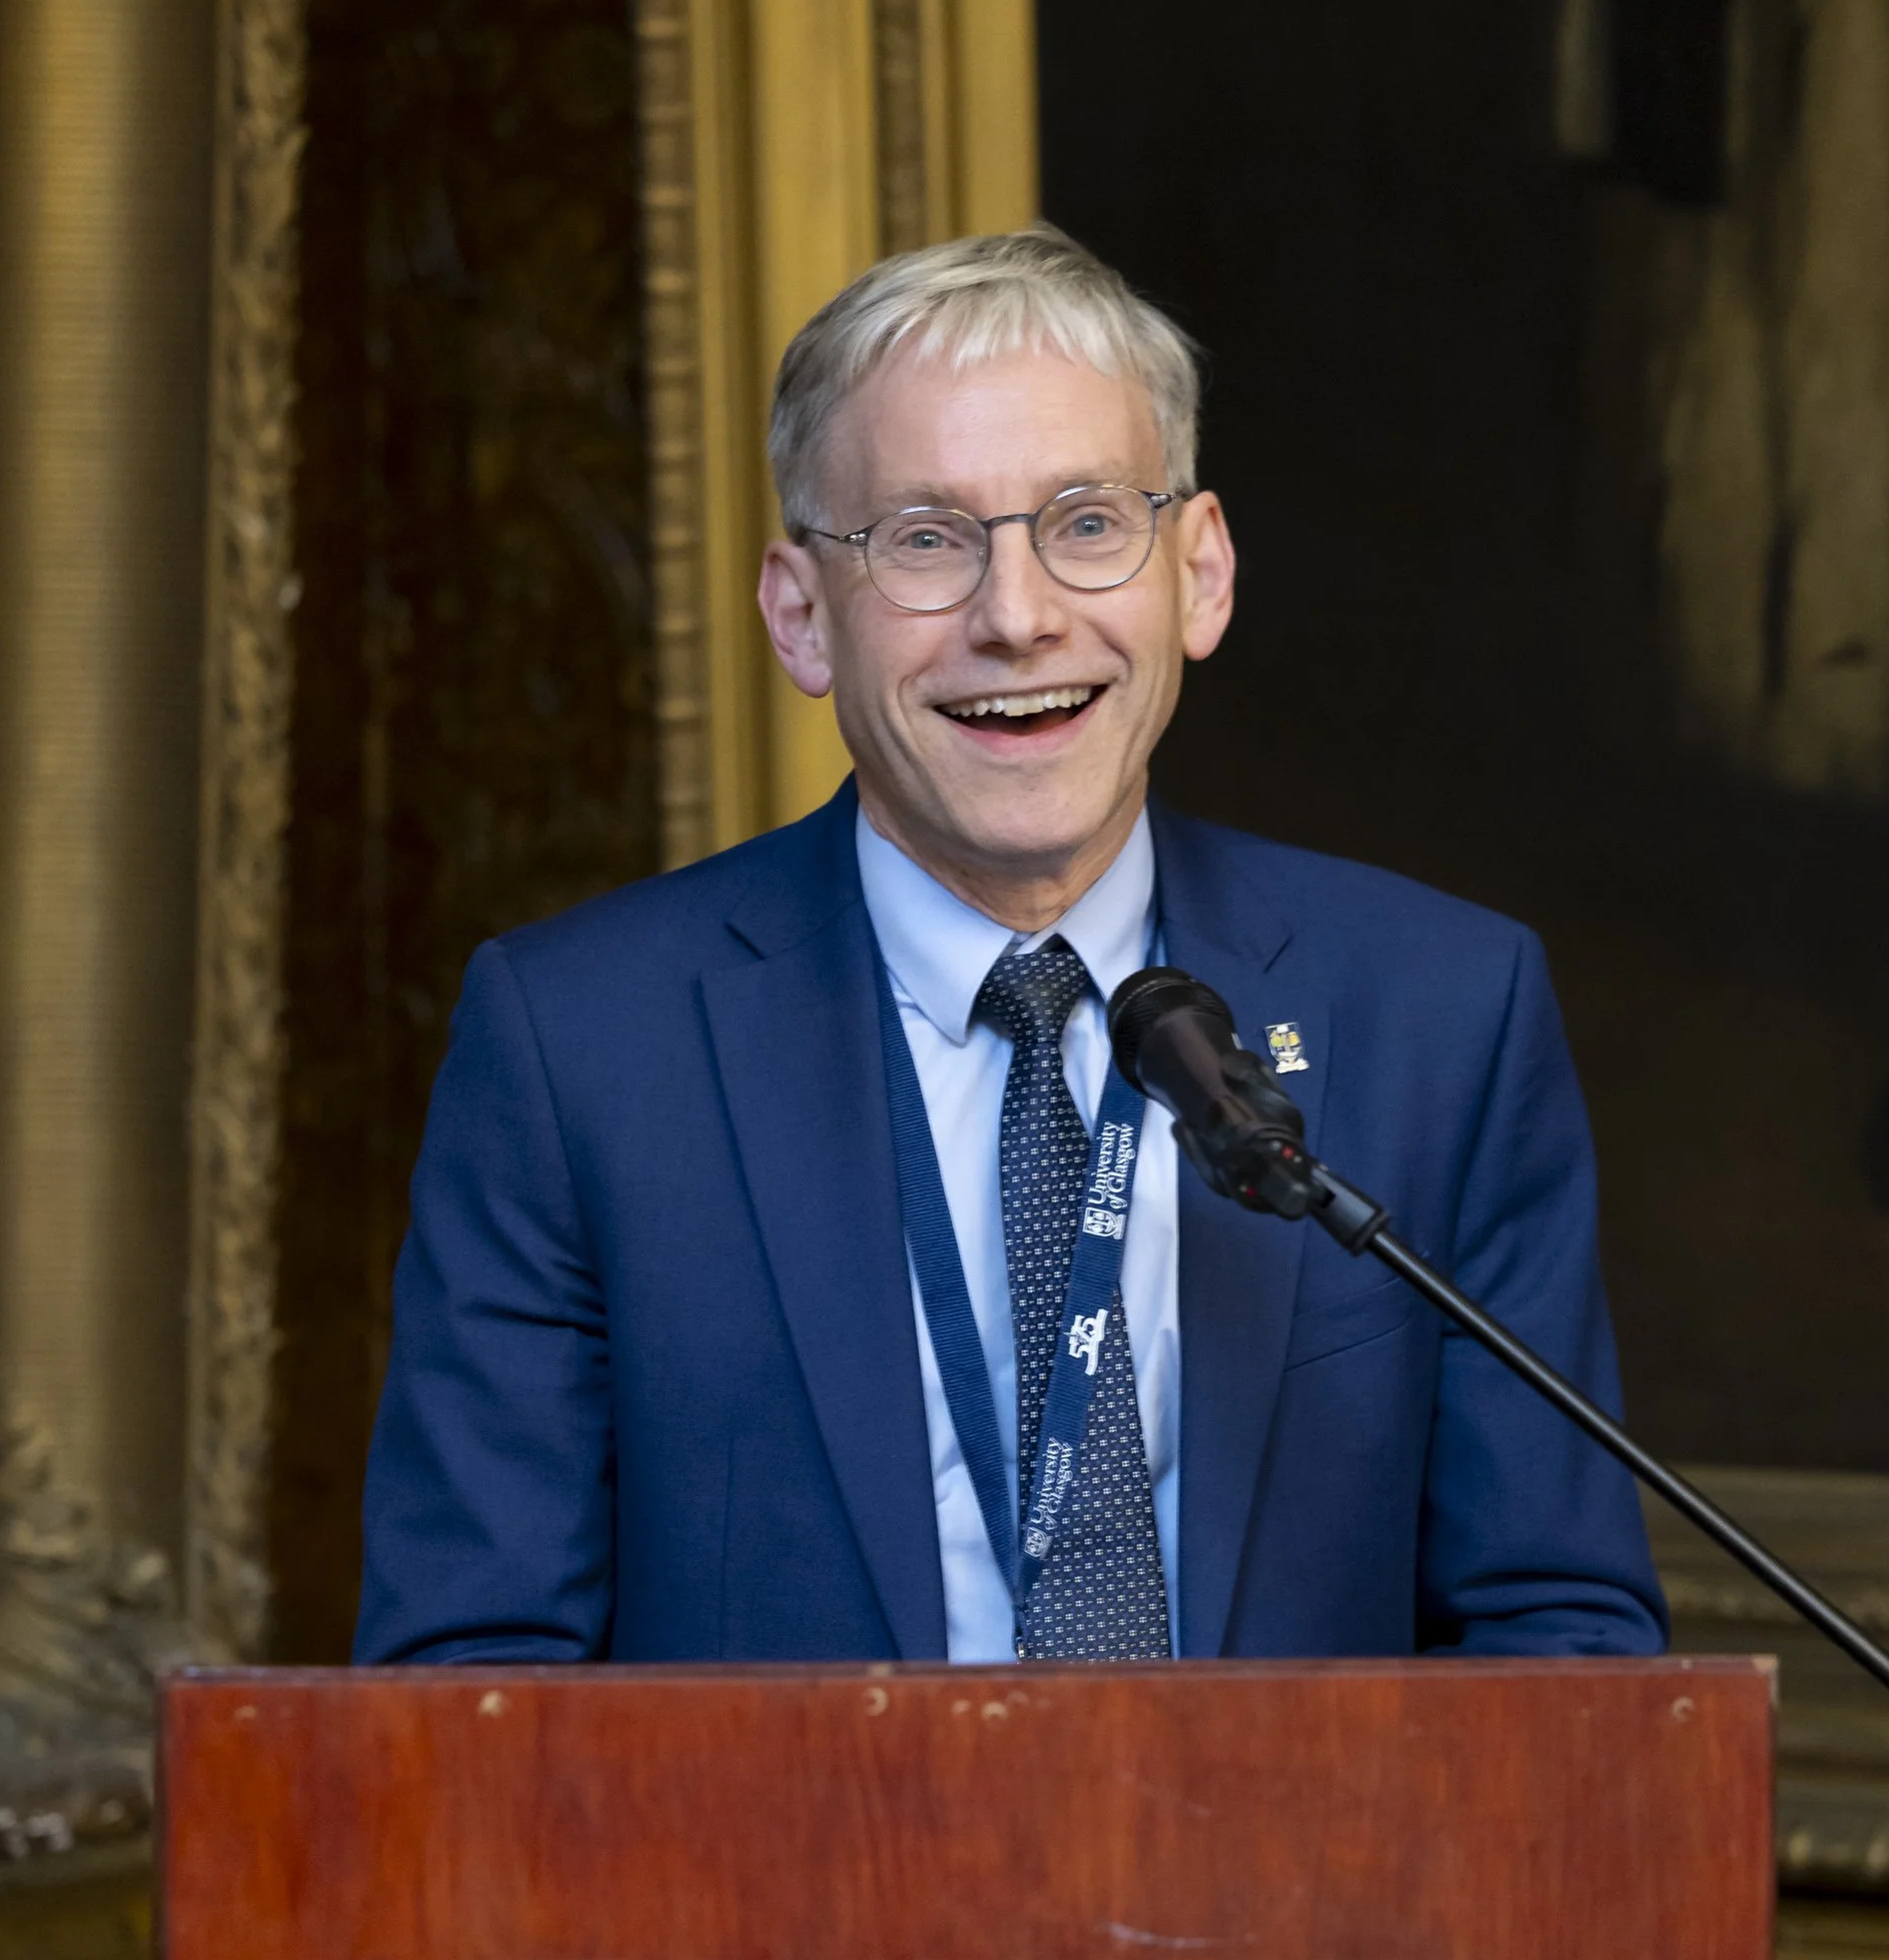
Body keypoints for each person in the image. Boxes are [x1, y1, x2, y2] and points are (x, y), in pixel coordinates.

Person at [355, 227, 1664, 1667]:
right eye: (924, 540)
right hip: (783, 1893)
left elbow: (1560, 1642)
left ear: (1202, 574)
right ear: (802, 619)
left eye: (1088, 523)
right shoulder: (583, 1047)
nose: (1019, 617)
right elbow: (467, 1686)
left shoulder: (1441, 1011)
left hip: (1296, 1892)